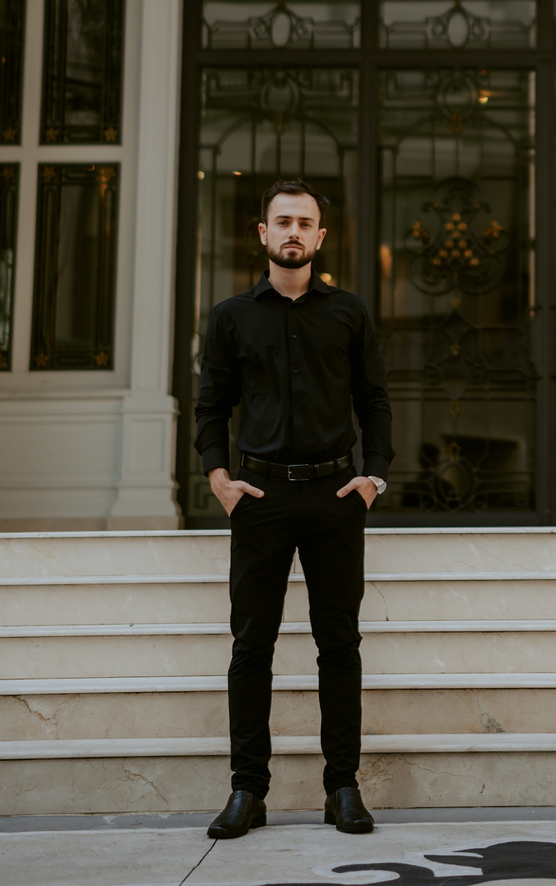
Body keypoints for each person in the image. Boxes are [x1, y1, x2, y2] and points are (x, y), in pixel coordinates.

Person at [195, 177, 393, 840]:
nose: (292, 233)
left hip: (337, 494)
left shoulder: (349, 313)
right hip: (261, 496)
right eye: (282, 221)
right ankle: (247, 791)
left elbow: (376, 401)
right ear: (262, 233)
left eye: (304, 223)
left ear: (319, 236)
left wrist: (374, 478)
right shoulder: (229, 318)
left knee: (339, 644)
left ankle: (342, 787)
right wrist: (218, 477)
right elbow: (210, 407)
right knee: (252, 645)